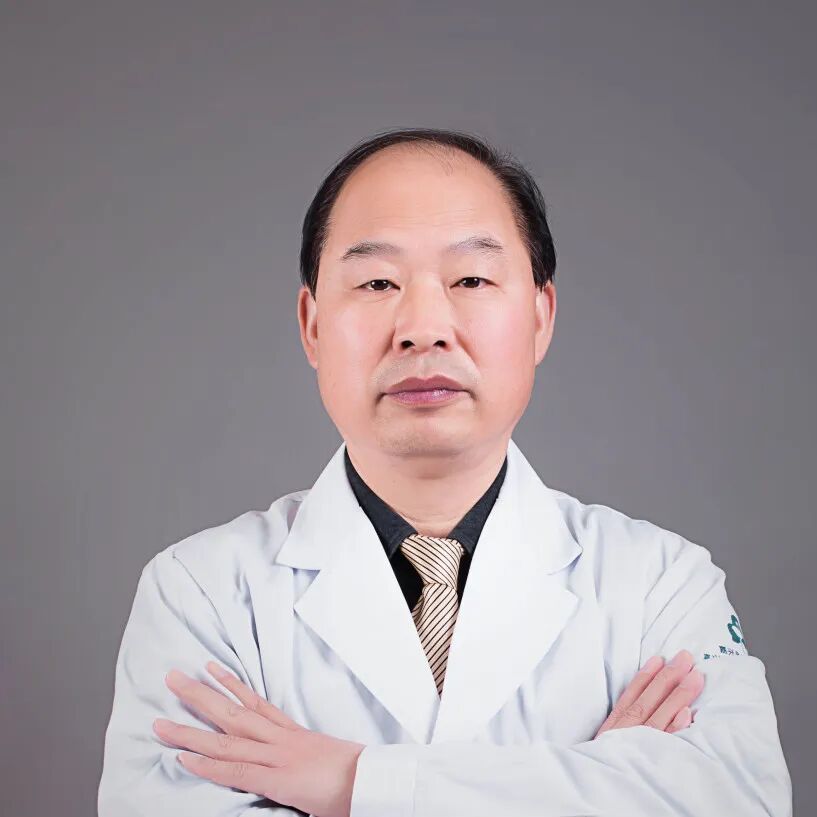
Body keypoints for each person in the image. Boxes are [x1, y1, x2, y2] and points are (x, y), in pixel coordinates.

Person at [97, 127, 792, 817]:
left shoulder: (660, 585)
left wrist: (354, 783)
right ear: (312, 324)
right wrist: (599, 787)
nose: (423, 327)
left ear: (540, 317)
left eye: (470, 279)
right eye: (377, 281)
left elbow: (745, 801)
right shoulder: (204, 596)